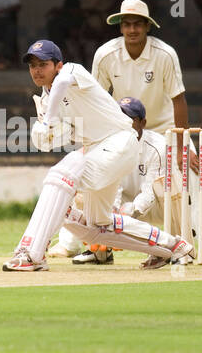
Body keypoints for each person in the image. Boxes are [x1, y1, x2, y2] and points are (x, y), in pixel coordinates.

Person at [52, 0, 202, 259]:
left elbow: (179, 99)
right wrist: (91, 141)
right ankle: (72, 243)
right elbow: (93, 99)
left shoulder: (165, 54)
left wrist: (180, 146)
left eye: (138, 24)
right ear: (120, 27)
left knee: (193, 171)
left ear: (147, 26)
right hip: (121, 129)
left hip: (165, 127)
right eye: (127, 24)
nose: (132, 30)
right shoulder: (106, 54)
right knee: (89, 175)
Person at [3, 40, 192, 272]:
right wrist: (45, 132)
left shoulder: (72, 71)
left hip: (120, 140)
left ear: (58, 65)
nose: (37, 70)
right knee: (96, 224)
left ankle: (31, 252)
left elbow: (62, 83)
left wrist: (49, 118)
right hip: (99, 151)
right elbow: (49, 141)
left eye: (43, 64)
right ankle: (170, 247)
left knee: (62, 173)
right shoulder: (44, 100)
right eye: (32, 66)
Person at [72, 96, 177, 268]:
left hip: (157, 205)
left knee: (164, 197)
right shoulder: (108, 141)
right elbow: (111, 182)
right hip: (122, 204)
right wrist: (111, 214)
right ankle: (99, 251)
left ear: (143, 123)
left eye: (130, 118)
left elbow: (152, 189)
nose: (124, 122)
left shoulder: (159, 146)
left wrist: (130, 212)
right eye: (119, 116)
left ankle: (167, 248)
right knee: (84, 195)